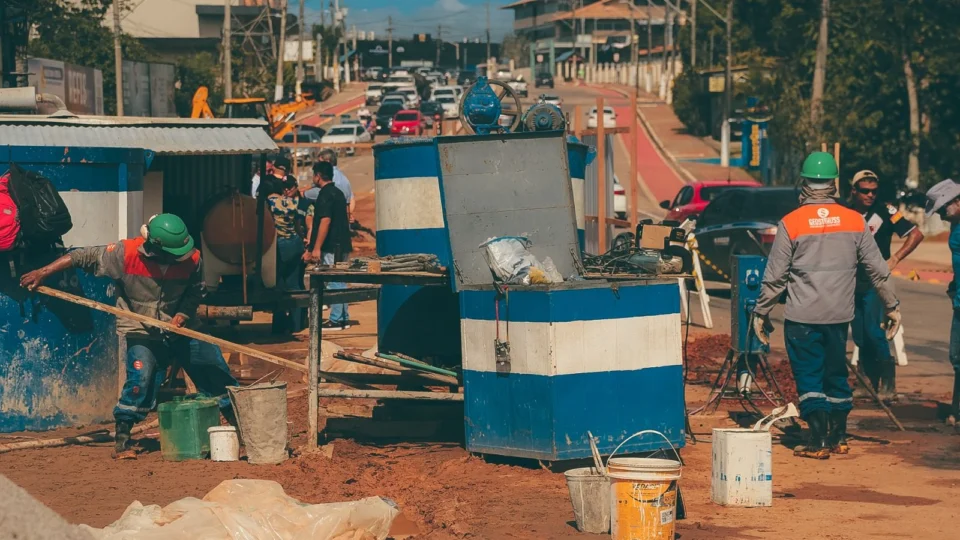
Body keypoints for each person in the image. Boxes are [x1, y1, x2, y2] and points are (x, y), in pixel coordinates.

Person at [19, 214, 239, 458]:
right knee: (140, 379)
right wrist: (43, 272)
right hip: (141, 328)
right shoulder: (126, 253)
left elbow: (196, 290)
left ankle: (242, 428)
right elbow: (82, 256)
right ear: (154, 247)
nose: (181, 257)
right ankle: (123, 440)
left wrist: (183, 314)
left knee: (214, 368)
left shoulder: (193, 258)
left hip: (182, 327)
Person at [753, 152, 900, 459]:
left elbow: (775, 276)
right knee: (834, 374)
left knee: (809, 376)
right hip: (839, 316)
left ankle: (817, 440)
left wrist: (761, 312)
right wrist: (892, 305)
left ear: (804, 184)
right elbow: (877, 268)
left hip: (802, 317)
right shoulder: (854, 220)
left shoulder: (791, 223)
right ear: (833, 184)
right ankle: (838, 438)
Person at [848, 170, 924, 399]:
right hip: (850, 281)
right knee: (860, 335)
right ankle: (867, 382)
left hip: (876, 282)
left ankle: (887, 385)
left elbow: (916, 234)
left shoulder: (886, 210)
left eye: (874, 191)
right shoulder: (845, 212)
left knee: (874, 331)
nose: (870, 195)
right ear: (854, 191)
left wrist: (896, 258)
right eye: (865, 191)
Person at [924, 179, 960, 427]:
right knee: (956, 357)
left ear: (956, 202)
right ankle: (956, 409)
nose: (940, 215)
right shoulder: (955, 226)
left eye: (942, 209)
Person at [304, 161, 353, 331]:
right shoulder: (338, 193)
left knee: (334, 281)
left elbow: (325, 221)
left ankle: (336, 319)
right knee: (341, 280)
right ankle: (343, 318)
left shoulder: (325, 194)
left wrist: (316, 247)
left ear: (318, 176)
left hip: (333, 246)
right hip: (343, 244)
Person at [267, 175, 308, 333]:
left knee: (278, 286)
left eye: (289, 187)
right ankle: (296, 325)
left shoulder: (271, 202)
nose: (286, 189)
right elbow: (298, 225)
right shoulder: (297, 203)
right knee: (295, 286)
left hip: (280, 247)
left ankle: (278, 326)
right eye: (285, 187)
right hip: (294, 244)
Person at [304, 148, 355, 226]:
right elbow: (351, 199)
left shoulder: (328, 180)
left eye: (320, 162)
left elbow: (311, 194)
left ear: (327, 162)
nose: (318, 165)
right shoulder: (344, 178)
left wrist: (303, 193)